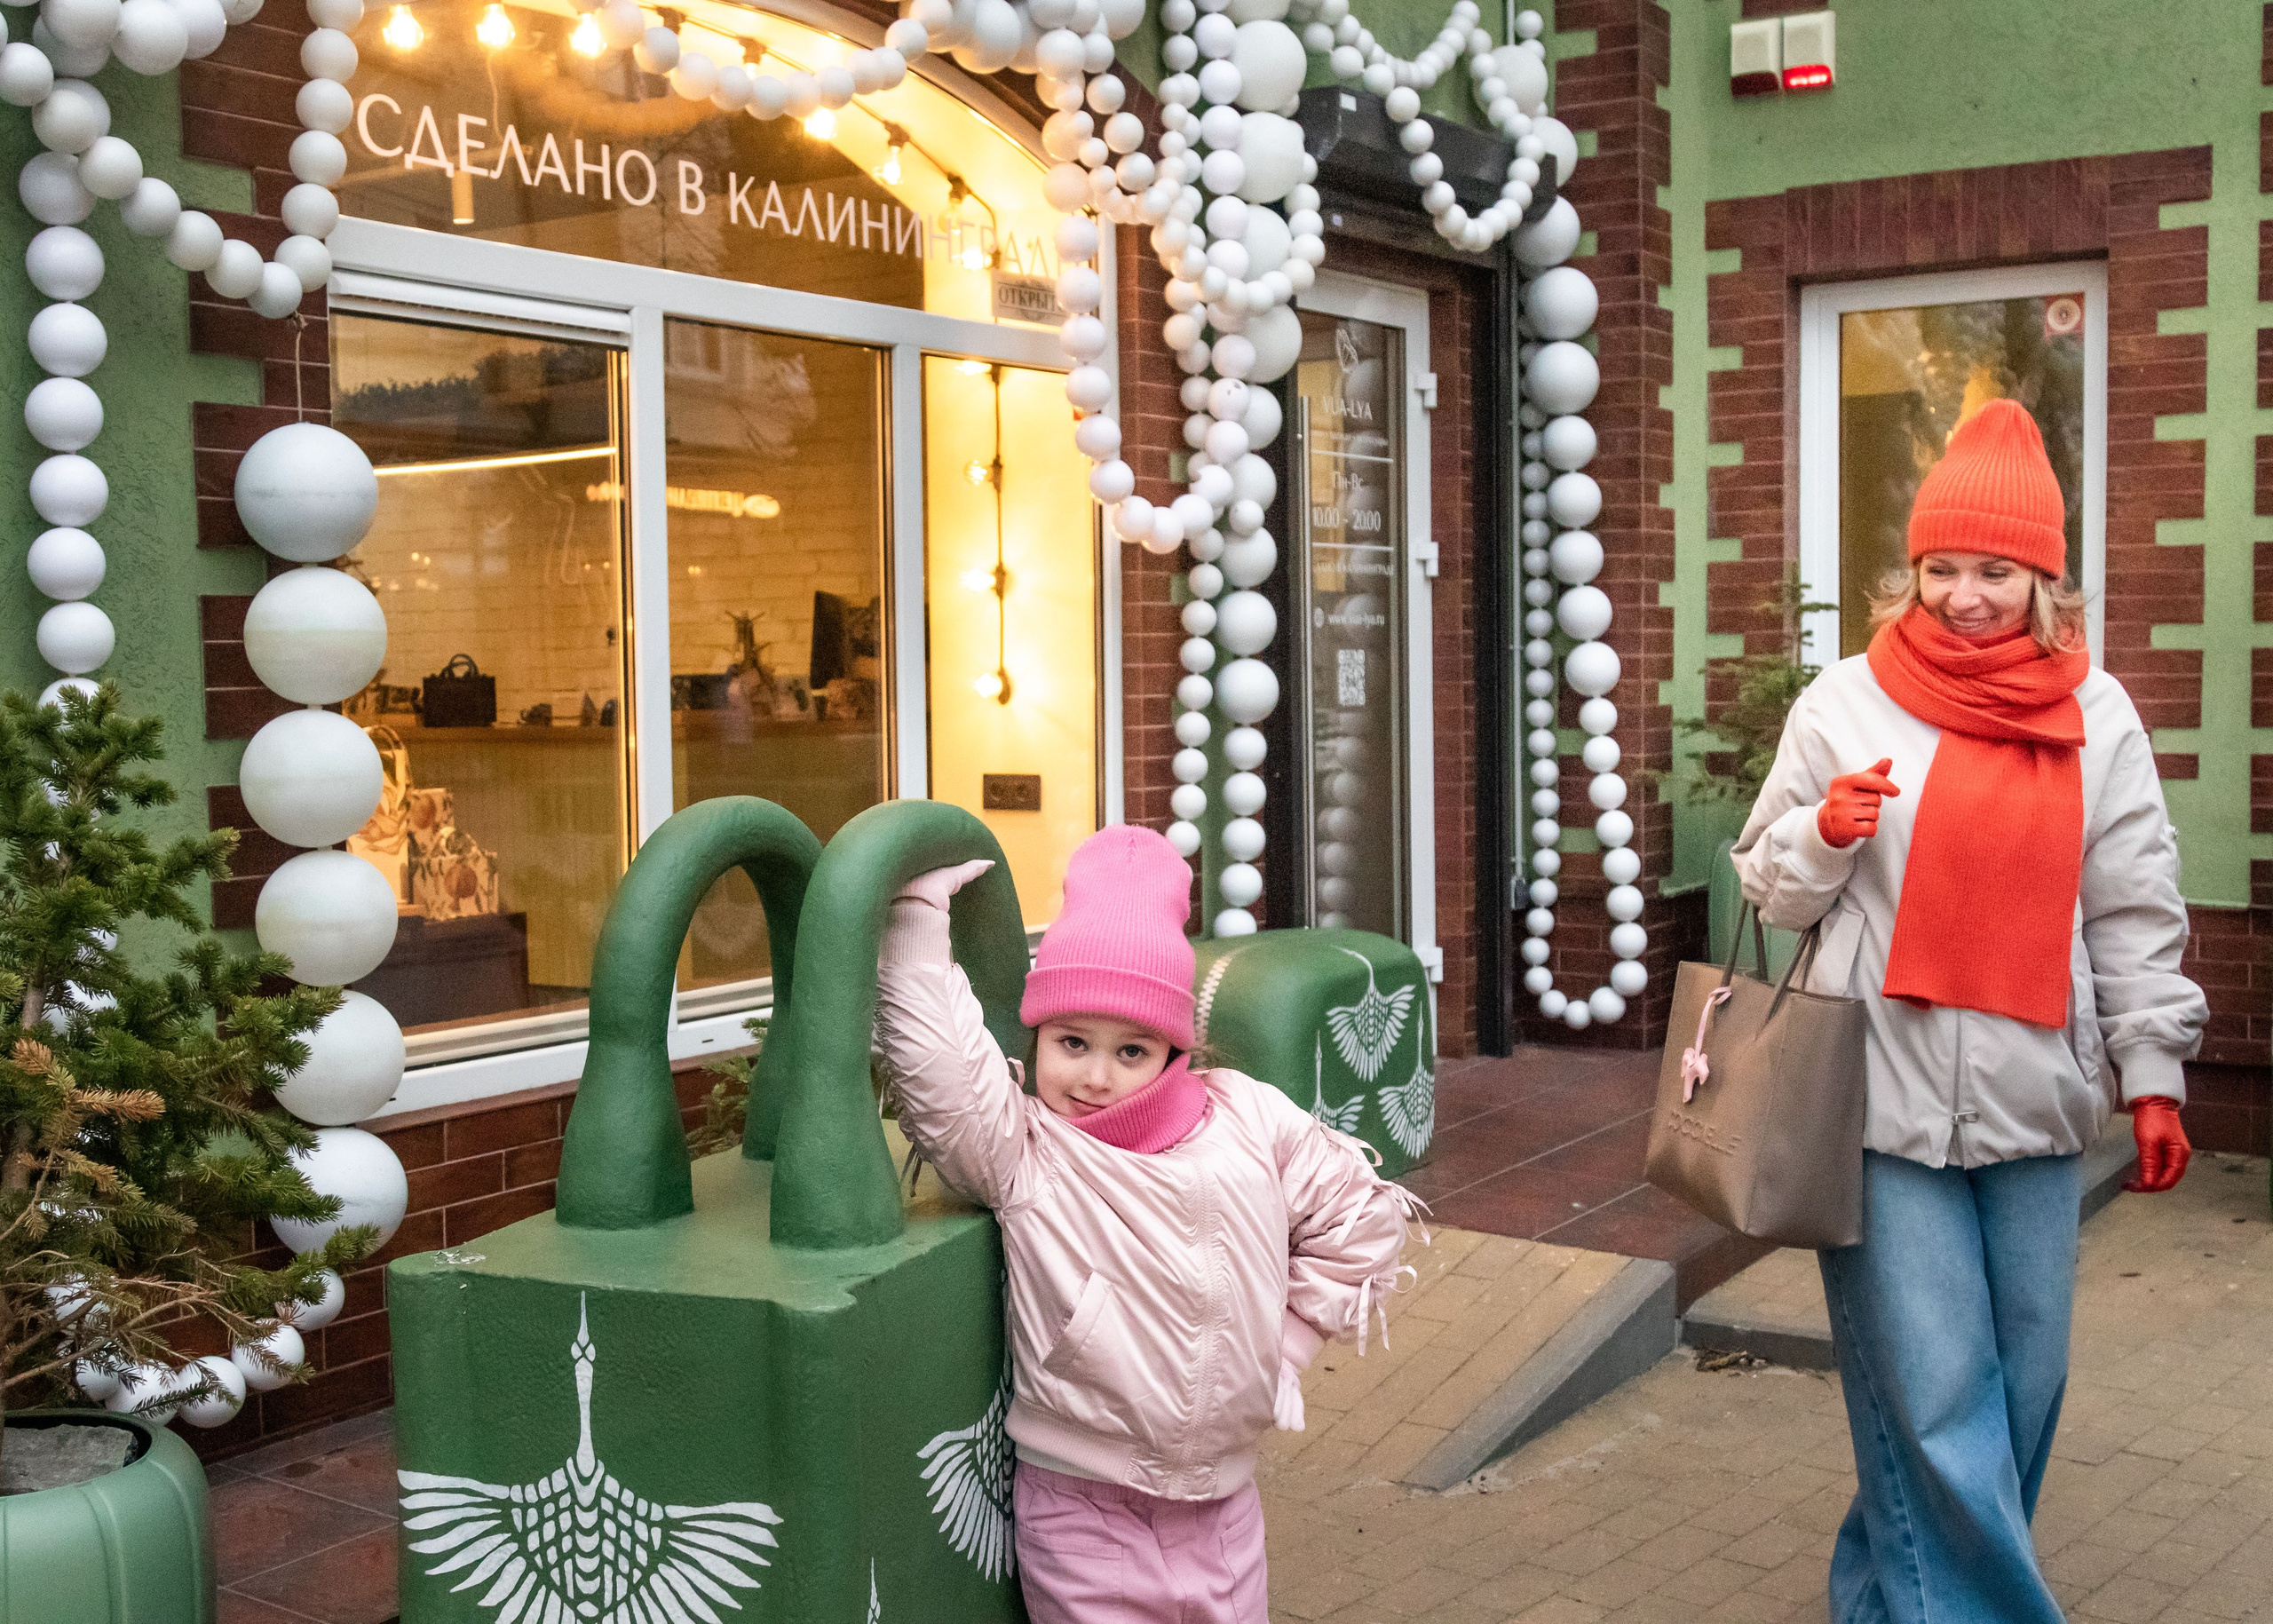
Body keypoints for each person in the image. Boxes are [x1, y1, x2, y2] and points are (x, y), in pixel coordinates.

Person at [1733, 399, 2207, 1624]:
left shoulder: (2097, 713)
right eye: (1941, 568)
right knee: (1935, 1392)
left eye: (1993, 571)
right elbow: (1767, 887)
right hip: (1877, 1100)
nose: (1963, 596)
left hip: (2036, 1093)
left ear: (2042, 579)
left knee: (2020, 1386)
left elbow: (2133, 905)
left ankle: (1880, 1598)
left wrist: (2154, 1073)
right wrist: (1819, 834)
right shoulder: (1844, 701)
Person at [875, 824, 1418, 1624]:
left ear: (1171, 1049)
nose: (1096, 1076)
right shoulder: (1027, 1148)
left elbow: (1361, 1215)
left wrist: (1288, 1344)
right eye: (1072, 1041)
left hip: (1226, 1510)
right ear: (1038, 1033)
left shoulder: (1245, 1116)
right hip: (1083, 1512)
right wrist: (917, 922)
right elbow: (944, 1077)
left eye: (1131, 1050)